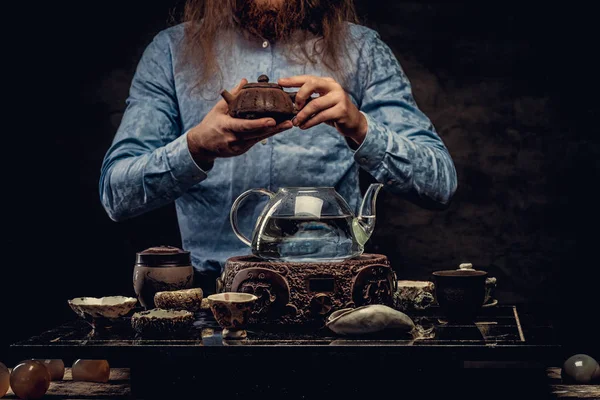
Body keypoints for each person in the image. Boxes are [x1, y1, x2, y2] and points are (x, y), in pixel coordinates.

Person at [99, 0, 458, 291]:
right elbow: (117, 194)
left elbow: (439, 185)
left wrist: (360, 127)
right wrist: (195, 147)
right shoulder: (171, 50)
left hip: (331, 291)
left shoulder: (362, 50)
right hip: (210, 296)